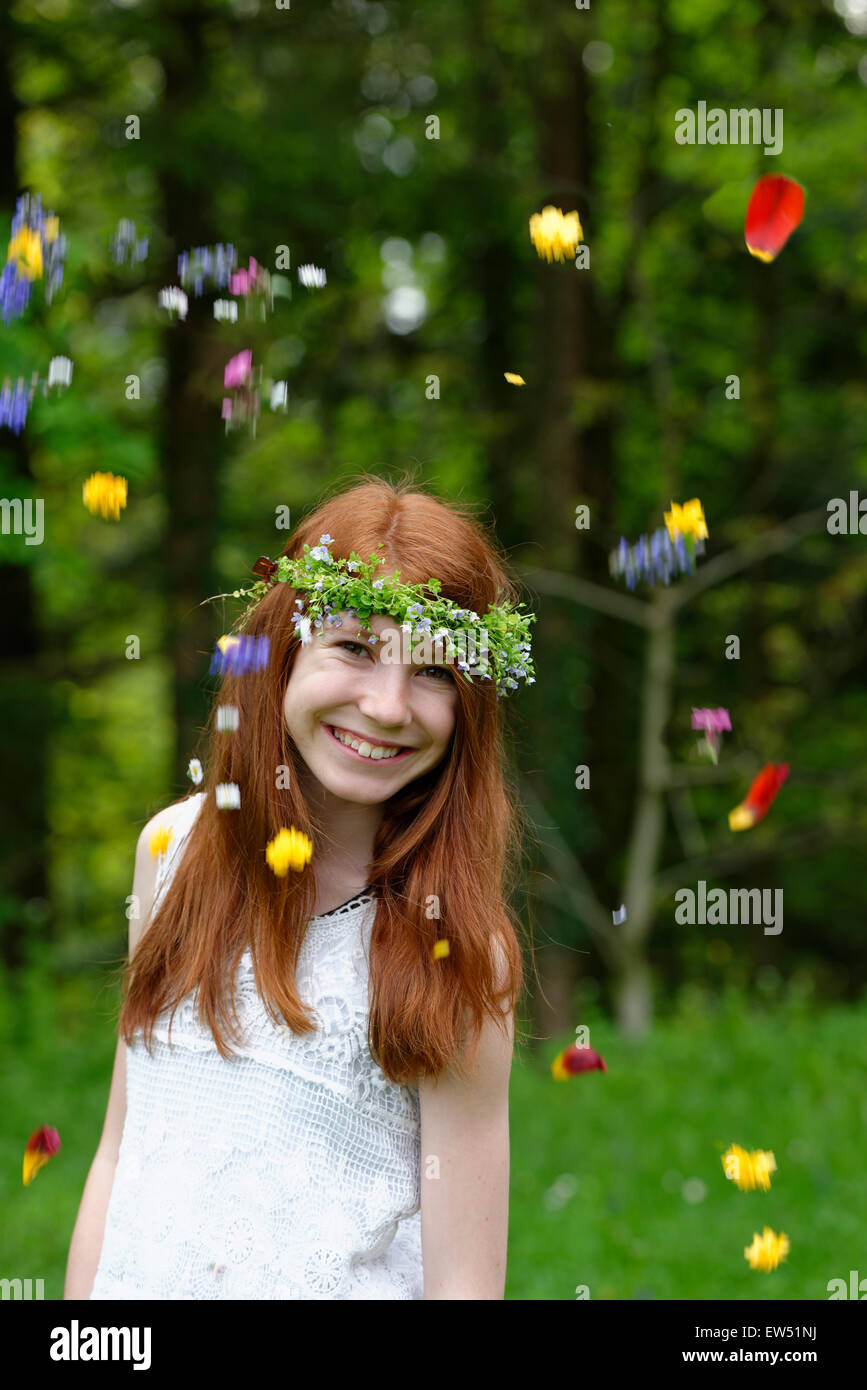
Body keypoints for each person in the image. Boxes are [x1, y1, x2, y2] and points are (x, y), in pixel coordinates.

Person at [64, 475, 536, 1300]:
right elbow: (120, 1148)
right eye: (354, 648)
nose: (387, 706)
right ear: (283, 652)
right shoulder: (169, 850)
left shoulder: (456, 945)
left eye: (433, 671)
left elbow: (465, 1279)